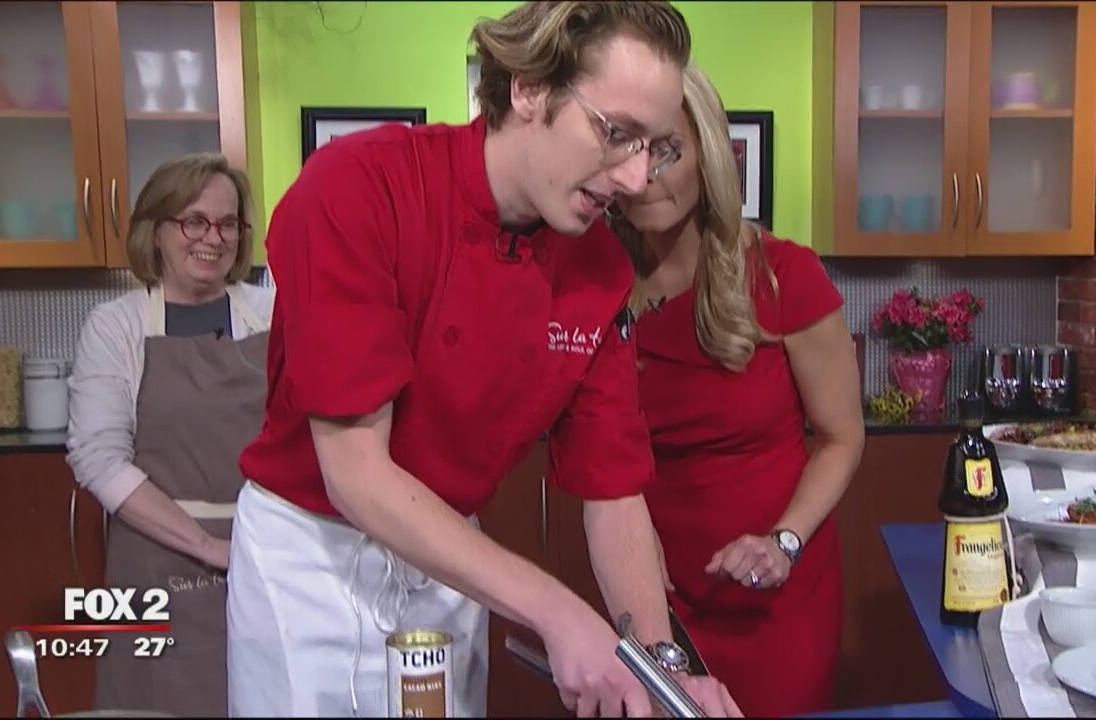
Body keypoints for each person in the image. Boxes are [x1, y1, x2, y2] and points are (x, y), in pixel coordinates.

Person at [227, 2, 741, 718]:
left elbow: (614, 491)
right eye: (615, 133)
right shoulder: (358, 187)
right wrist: (555, 610)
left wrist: (662, 667)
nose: (634, 179)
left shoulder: (599, 270)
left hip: (450, 567)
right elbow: (355, 474)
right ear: (529, 88)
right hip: (309, 563)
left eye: (653, 148)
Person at [610, 64, 866, 717]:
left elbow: (841, 437)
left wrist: (785, 541)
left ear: (709, 154)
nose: (644, 174)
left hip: (773, 596)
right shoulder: (597, 284)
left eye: (666, 150)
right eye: (624, 148)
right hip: (652, 596)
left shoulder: (783, 276)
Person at [65, 152, 274, 716]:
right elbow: (100, 460)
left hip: (266, 560)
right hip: (157, 560)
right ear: (154, 229)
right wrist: (208, 547)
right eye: (194, 221)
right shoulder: (117, 326)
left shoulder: (273, 314)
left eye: (228, 223)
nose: (213, 238)